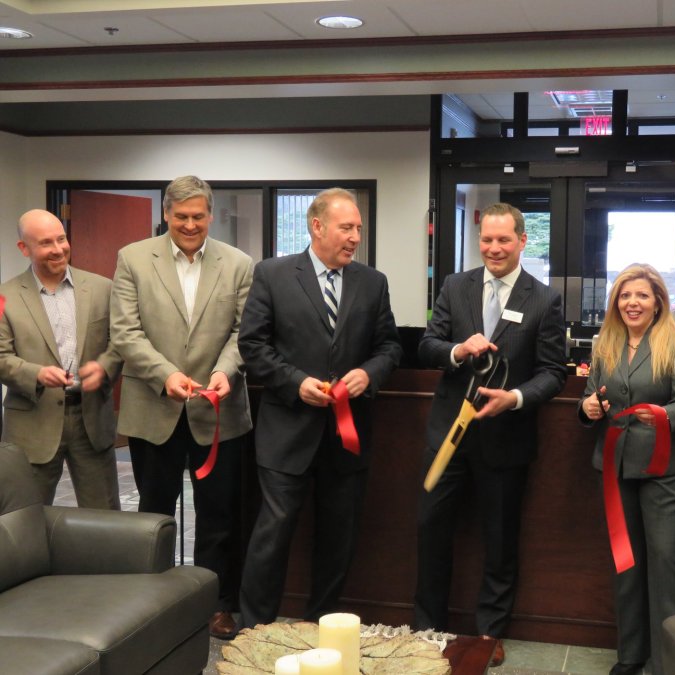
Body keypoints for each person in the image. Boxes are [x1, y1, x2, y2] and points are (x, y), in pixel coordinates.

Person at [237, 187, 402, 629]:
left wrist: (369, 373)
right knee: (272, 536)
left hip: (346, 438)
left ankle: (322, 628)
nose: (354, 238)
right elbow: (252, 345)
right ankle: (254, 630)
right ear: (316, 226)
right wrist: (296, 383)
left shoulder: (372, 282)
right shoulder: (272, 275)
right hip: (286, 433)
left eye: (358, 230)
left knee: (338, 539)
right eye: (346, 228)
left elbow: (389, 345)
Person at [413, 202, 567, 667]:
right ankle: (426, 629)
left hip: (506, 439)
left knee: (500, 540)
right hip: (449, 435)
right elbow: (426, 347)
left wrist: (515, 397)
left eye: (504, 240)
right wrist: (459, 349)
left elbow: (554, 372)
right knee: (431, 530)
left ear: (523, 241)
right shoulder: (454, 287)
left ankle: (488, 634)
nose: (494, 248)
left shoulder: (543, 299)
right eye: (487, 240)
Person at [110, 175, 253, 639]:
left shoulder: (238, 264)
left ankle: (217, 603)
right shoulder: (133, 258)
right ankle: (152, 604)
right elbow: (125, 333)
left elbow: (244, 333)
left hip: (218, 412)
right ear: (166, 215)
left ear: (210, 215)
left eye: (198, 216)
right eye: (181, 216)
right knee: (154, 513)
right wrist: (164, 374)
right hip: (155, 408)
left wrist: (226, 371)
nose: (190, 225)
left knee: (219, 515)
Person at [578, 263, 675, 675]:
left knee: (666, 562)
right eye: (626, 296)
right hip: (615, 466)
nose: (633, 303)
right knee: (625, 562)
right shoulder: (605, 342)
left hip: (665, 469)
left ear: (658, 302)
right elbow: (591, 394)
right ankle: (630, 656)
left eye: (642, 296)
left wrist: (663, 416)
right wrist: (588, 407)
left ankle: (669, 663)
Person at [0, 209, 122, 508]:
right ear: (24, 248)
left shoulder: (102, 288)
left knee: (105, 520)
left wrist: (105, 366)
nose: (58, 249)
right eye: (45, 243)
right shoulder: (4, 297)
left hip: (90, 419)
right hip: (32, 422)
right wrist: (36, 374)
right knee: (24, 519)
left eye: (61, 239)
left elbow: (121, 343)